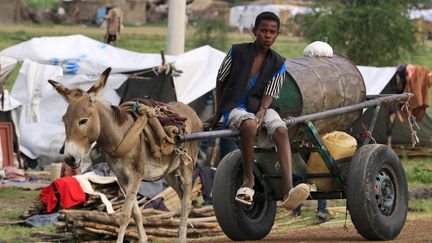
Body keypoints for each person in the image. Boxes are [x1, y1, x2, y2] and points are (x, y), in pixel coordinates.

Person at [206, 11, 310, 208]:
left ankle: (288, 189)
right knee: (249, 125)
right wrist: (219, 112)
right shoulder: (236, 52)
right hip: (234, 106)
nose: (267, 35)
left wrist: (263, 109)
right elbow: (220, 80)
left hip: (259, 105)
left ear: (277, 35)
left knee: (280, 129)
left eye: (272, 32)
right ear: (254, 31)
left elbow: (270, 92)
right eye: (263, 30)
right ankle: (249, 180)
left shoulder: (278, 62)